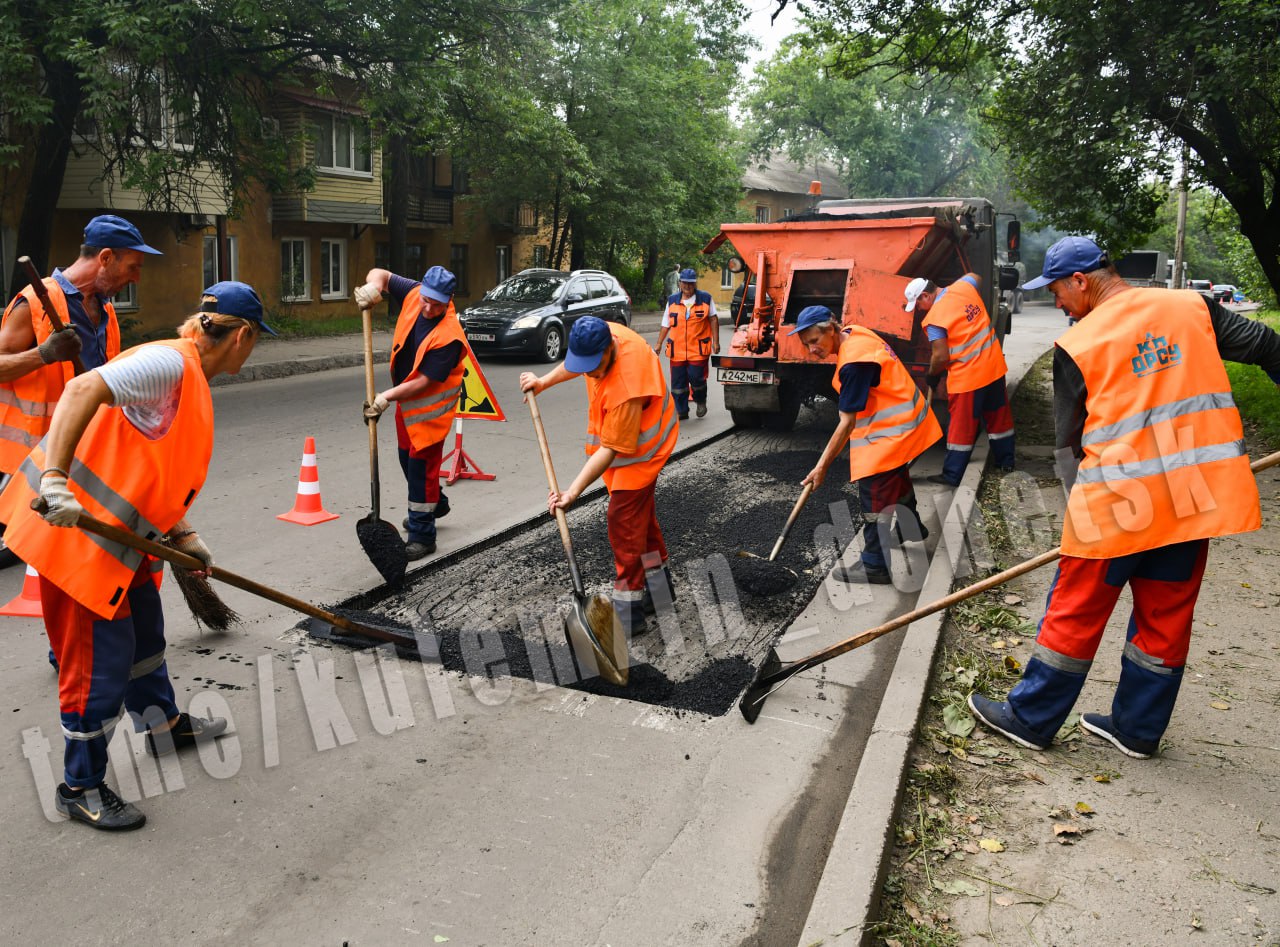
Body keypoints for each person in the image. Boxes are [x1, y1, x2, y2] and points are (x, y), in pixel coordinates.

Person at [969, 237, 1280, 759]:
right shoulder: (1191, 307)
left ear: (1081, 281)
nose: (1057, 303)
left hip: (1117, 505)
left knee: (1074, 611)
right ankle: (1136, 729)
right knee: (1166, 615)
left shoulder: (1080, 343)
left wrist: (1078, 515)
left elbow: (1069, 442)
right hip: (1193, 497)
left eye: (1057, 291)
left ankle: (1030, 717)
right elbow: (1270, 348)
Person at [0, 281, 274, 830]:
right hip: (74, 539)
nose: (253, 349)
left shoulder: (185, 376)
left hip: (119, 541)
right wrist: (55, 480)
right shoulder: (167, 365)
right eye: (255, 341)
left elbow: (147, 466)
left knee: (145, 636)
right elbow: (80, 392)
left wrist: (182, 534)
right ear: (241, 334)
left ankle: (161, 726)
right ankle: (79, 785)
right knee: (98, 666)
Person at [0, 215, 161, 568]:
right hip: (27, 461)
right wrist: (43, 354)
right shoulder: (35, 301)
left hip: (81, 453)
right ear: (105, 258)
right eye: (132, 267)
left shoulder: (105, 311)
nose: (136, 277)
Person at [519, 316, 678, 634]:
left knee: (625, 526)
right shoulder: (602, 334)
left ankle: (629, 613)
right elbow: (574, 365)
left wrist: (571, 493)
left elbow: (610, 450)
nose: (587, 372)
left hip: (642, 454)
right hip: (628, 447)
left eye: (593, 364)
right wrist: (544, 381)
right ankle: (661, 594)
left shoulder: (626, 387)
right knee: (641, 522)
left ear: (608, 350)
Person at [794, 306, 941, 583]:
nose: (812, 350)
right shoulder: (856, 333)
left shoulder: (855, 364)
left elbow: (846, 423)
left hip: (891, 434)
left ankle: (874, 564)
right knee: (897, 480)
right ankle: (911, 527)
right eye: (806, 344)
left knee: (874, 497)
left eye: (814, 341)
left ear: (831, 328)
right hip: (907, 422)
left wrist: (821, 467)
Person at [355, 265, 465, 560]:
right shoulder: (416, 292)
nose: (428, 308)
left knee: (420, 470)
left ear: (449, 299)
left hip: (431, 412)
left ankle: (422, 534)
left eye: (437, 303)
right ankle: (436, 502)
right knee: (406, 460)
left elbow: (423, 382)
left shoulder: (449, 337)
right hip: (408, 407)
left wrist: (385, 397)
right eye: (426, 300)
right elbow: (381, 274)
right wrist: (373, 289)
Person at [904, 272, 1015, 486]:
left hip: (968, 378)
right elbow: (977, 276)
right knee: (999, 418)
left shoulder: (934, 320)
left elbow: (940, 356)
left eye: (917, 305)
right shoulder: (964, 287)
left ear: (925, 296)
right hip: (993, 367)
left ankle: (953, 475)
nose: (918, 310)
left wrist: (933, 376)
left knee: (960, 427)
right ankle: (1006, 462)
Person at [654, 268, 719, 420]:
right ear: (680, 283)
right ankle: (681, 410)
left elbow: (713, 319)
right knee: (678, 383)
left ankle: (700, 400)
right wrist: (658, 344)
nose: (687, 287)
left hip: (697, 349)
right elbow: (665, 324)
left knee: (697, 378)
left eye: (690, 284)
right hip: (677, 350)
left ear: (695, 284)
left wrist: (716, 341)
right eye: (684, 283)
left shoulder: (705, 298)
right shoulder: (672, 300)